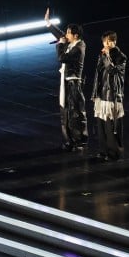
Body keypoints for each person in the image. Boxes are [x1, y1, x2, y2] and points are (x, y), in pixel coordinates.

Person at [44, 8, 87, 151]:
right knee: (65, 112)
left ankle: (80, 141)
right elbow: (60, 34)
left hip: (74, 82)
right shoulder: (71, 42)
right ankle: (69, 140)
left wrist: (59, 44)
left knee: (75, 112)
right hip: (66, 81)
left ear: (75, 35)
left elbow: (62, 58)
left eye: (69, 33)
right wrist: (48, 24)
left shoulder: (79, 47)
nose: (66, 35)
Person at [91, 31, 127, 161]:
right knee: (101, 126)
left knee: (111, 126)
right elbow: (98, 73)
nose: (106, 43)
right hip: (101, 94)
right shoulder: (102, 55)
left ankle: (114, 152)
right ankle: (103, 150)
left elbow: (112, 70)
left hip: (112, 95)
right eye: (105, 41)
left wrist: (106, 56)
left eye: (109, 41)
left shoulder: (121, 57)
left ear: (114, 42)